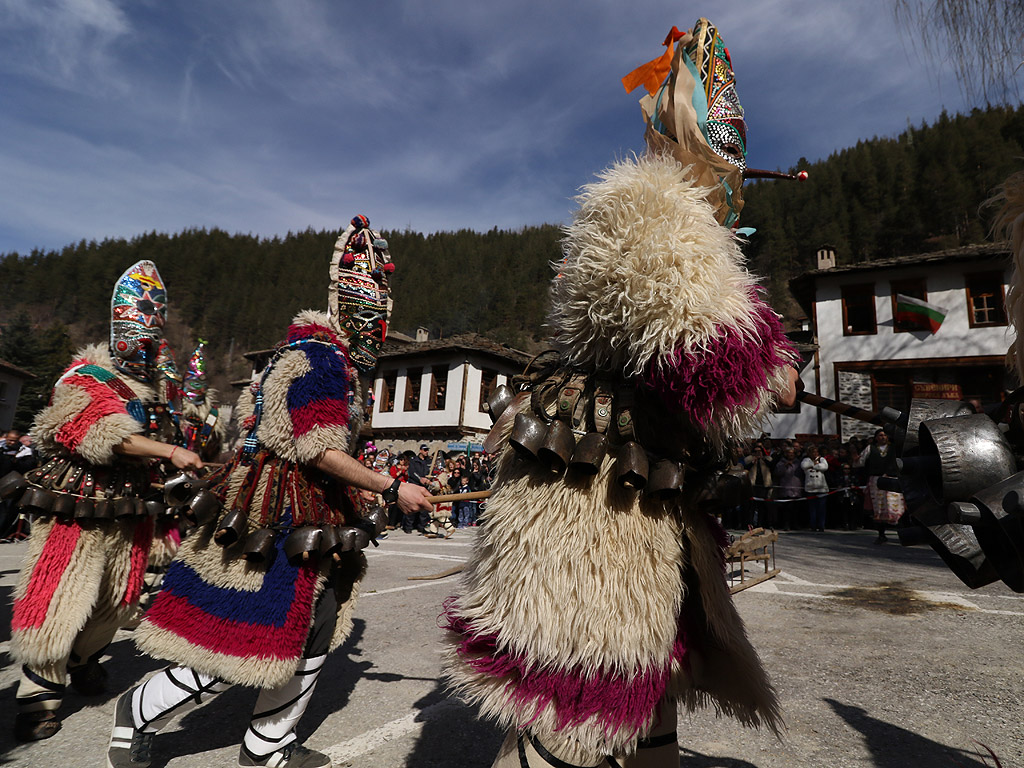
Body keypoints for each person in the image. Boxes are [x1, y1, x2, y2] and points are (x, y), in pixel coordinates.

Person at [442, 18, 799, 768]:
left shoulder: (685, 227)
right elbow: (712, 363)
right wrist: (778, 369)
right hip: (591, 513)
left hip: (637, 509)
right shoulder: (648, 211)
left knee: (642, 694)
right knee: (575, 706)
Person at [109, 216, 433, 768]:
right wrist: (390, 484)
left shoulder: (336, 365)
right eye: (370, 306)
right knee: (245, 630)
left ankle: (267, 744)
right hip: (276, 513)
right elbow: (315, 447)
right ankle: (139, 709)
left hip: (312, 510)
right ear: (347, 304)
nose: (377, 320)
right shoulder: (319, 359)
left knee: (319, 620)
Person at [1, 261, 201, 742]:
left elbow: (160, 434)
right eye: (140, 337)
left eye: (152, 339)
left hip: (131, 502)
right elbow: (98, 433)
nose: (146, 347)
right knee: (60, 593)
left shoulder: (149, 392)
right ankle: (37, 694)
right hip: (76, 500)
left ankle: (83, 658)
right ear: (120, 331)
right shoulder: (84, 377)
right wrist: (169, 450)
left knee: (119, 593)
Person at [856, 429, 904, 543]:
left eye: (885, 435)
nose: (883, 437)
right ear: (876, 437)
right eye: (880, 435)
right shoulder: (870, 448)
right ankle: (881, 535)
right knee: (879, 508)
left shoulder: (894, 448)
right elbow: (859, 462)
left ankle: (902, 534)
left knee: (896, 507)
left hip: (892, 479)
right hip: (876, 480)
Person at [771, 445, 803, 530]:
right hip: (785, 488)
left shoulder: (798, 463)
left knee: (796, 509)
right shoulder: (781, 463)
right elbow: (777, 473)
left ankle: (795, 524)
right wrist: (784, 466)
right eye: (789, 453)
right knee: (786, 509)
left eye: (792, 454)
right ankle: (786, 524)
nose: (790, 455)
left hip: (796, 489)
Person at [801, 444, 829, 531]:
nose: (814, 453)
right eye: (812, 452)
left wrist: (813, 465)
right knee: (812, 509)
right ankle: (813, 525)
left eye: (816, 452)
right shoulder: (806, 459)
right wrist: (815, 464)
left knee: (821, 508)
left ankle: (821, 525)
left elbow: (824, 467)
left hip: (821, 488)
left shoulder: (822, 459)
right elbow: (804, 466)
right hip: (810, 488)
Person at [406, 443, 433, 533]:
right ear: (420, 450)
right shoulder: (414, 460)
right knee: (413, 506)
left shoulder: (429, 461)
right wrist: (420, 479)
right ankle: (408, 526)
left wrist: (430, 479)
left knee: (424, 509)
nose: (426, 452)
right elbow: (412, 472)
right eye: (425, 450)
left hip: (425, 486)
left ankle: (421, 526)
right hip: (415, 485)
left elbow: (431, 472)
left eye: (427, 450)